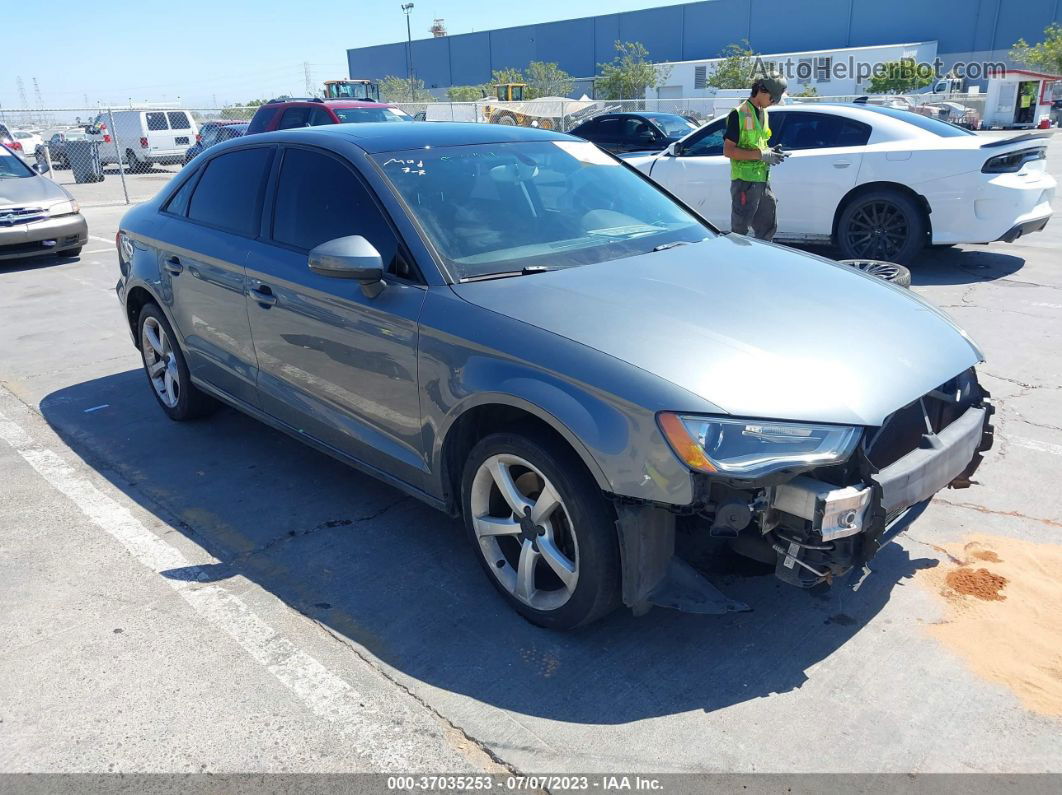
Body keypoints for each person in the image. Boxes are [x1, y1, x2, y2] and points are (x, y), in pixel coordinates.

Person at [723, 75, 789, 241]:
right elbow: (728, 151)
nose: (774, 101)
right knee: (740, 233)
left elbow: (757, 143)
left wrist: (770, 151)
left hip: (762, 181)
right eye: (772, 97)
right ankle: (738, 264)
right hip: (744, 183)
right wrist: (761, 155)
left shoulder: (763, 113)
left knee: (768, 229)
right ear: (761, 90)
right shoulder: (739, 114)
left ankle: (763, 263)